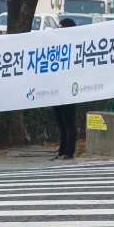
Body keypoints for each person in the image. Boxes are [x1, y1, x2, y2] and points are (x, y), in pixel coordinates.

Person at [51, 17, 79, 160]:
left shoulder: (75, 46)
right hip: (56, 88)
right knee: (60, 124)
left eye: (61, 28)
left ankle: (69, 151)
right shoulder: (56, 46)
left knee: (68, 123)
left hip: (69, 89)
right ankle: (61, 151)